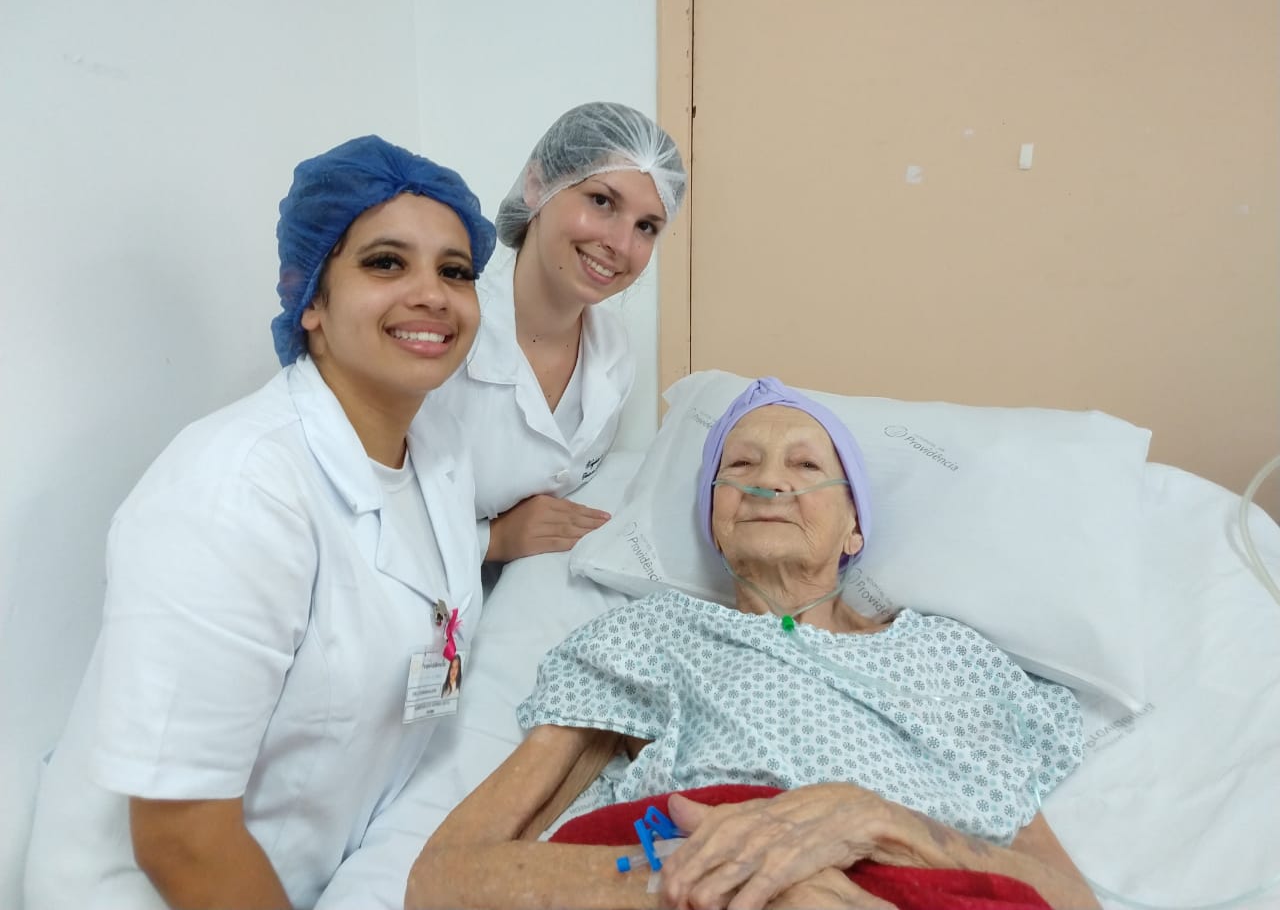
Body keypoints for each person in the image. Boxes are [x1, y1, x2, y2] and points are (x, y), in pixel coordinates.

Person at [406, 378, 1100, 910]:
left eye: (804, 466)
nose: (769, 482)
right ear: (715, 517)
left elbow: (1068, 899)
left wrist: (872, 822)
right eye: (739, 465)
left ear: (854, 527)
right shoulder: (650, 636)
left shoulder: (956, 664)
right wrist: (715, 879)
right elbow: (447, 875)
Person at [24, 135, 497, 910]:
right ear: (310, 298)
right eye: (386, 263)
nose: (433, 294)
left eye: (455, 270)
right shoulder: (234, 490)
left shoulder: (436, 446)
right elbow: (180, 838)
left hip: (321, 868)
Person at [423, 101, 687, 564]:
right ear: (536, 185)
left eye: (646, 226)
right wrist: (494, 541)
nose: (621, 245)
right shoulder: (442, 330)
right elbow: (367, 513)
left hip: (525, 607)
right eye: (602, 201)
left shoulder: (613, 351)